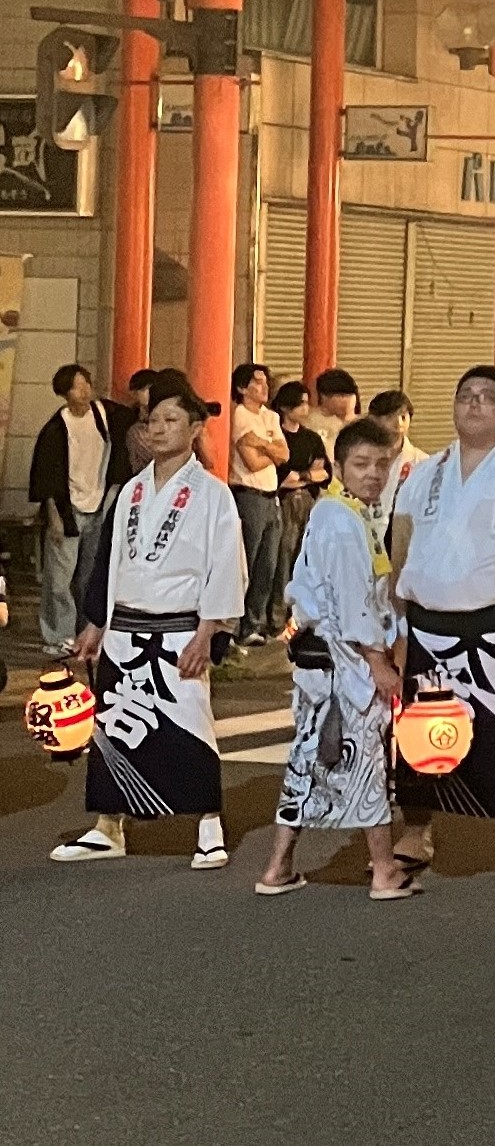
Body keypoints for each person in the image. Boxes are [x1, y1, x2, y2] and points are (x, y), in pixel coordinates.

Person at [51, 370, 244, 868]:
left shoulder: (212, 494)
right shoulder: (131, 492)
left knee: (191, 727)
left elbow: (225, 564)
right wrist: (95, 623)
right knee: (114, 728)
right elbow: (107, 562)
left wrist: (209, 631)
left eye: (171, 420)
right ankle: (108, 826)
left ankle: (208, 826)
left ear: (195, 428)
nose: (157, 429)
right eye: (152, 420)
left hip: (180, 630)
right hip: (125, 630)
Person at [389, 366, 495, 876]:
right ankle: (417, 833)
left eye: (488, 397)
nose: (474, 404)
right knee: (421, 740)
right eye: (466, 395)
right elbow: (400, 546)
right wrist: (397, 623)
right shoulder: (425, 471)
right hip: (430, 628)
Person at [258, 417, 413, 901]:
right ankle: (384, 871)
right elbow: (354, 603)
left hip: (322, 665)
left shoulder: (343, 514)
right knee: (365, 764)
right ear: (340, 467)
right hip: (346, 664)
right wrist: (378, 659)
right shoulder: (343, 521)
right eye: (361, 464)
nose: (373, 474)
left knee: (307, 759)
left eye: (381, 464)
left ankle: (278, 867)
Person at [28, 363, 132, 657]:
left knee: (90, 575)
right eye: (77, 386)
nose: (85, 390)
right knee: (59, 580)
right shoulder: (56, 428)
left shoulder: (105, 414)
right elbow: (46, 478)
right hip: (68, 510)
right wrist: (55, 519)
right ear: (64, 393)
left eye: (86, 382)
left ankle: (87, 632)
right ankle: (57, 634)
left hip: (99, 506)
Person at [228, 362, 288, 648]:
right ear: (242, 388)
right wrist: (270, 450)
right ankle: (237, 625)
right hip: (248, 494)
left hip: (270, 494)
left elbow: (284, 454)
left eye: (266, 382)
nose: (264, 388)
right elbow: (250, 463)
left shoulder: (271, 417)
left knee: (269, 565)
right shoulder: (239, 415)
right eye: (257, 382)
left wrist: (262, 445)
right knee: (246, 562)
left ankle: (256, 623)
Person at [272, 381, 331, 621]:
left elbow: (324, 472)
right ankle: (277, 613)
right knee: (282, 557)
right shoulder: (276, 434)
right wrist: (306, 474)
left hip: (308, 500)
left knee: (304, 556)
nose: (306, 408)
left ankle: (298, 612)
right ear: (286, 407)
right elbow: (280, 477)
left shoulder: (311, 438)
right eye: (302, 403)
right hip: (283, 500)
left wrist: (303, 476)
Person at [365, 389, 427, 534]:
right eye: (390, 417)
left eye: (403, 416)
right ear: (373, 419)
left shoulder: (422, 461)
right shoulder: (360, 456)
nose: (398, 423)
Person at [308, 368, 360, 461]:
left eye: (348, 395)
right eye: (340, 395)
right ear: (323, 396)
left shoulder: (364, 424)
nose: (345, 400)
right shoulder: (311, 421)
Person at [124, 367, 158, 472]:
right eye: (143, 390)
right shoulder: (132, 424)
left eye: (151, 388)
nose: (148, 393)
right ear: (135, 393)